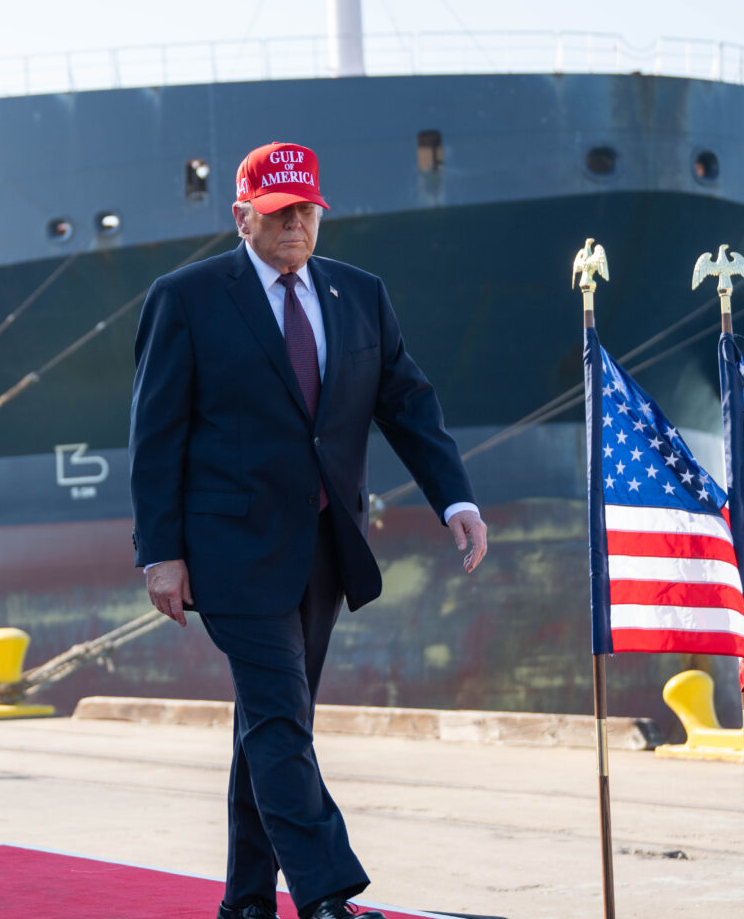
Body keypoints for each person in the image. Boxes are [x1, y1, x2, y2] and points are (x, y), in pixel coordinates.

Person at [130, 142, 487, 919]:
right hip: (230, 551)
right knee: (281, 718)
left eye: (307, 210)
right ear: (242, 215)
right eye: (279, 210)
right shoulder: (185, 298)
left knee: (270, 724)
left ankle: (248, 901)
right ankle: (328, 894)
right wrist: (161, 553)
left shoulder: (359, 294)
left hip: (326, 548)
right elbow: (155, 435)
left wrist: (455, 500)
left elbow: (408, 404)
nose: (295, 223)